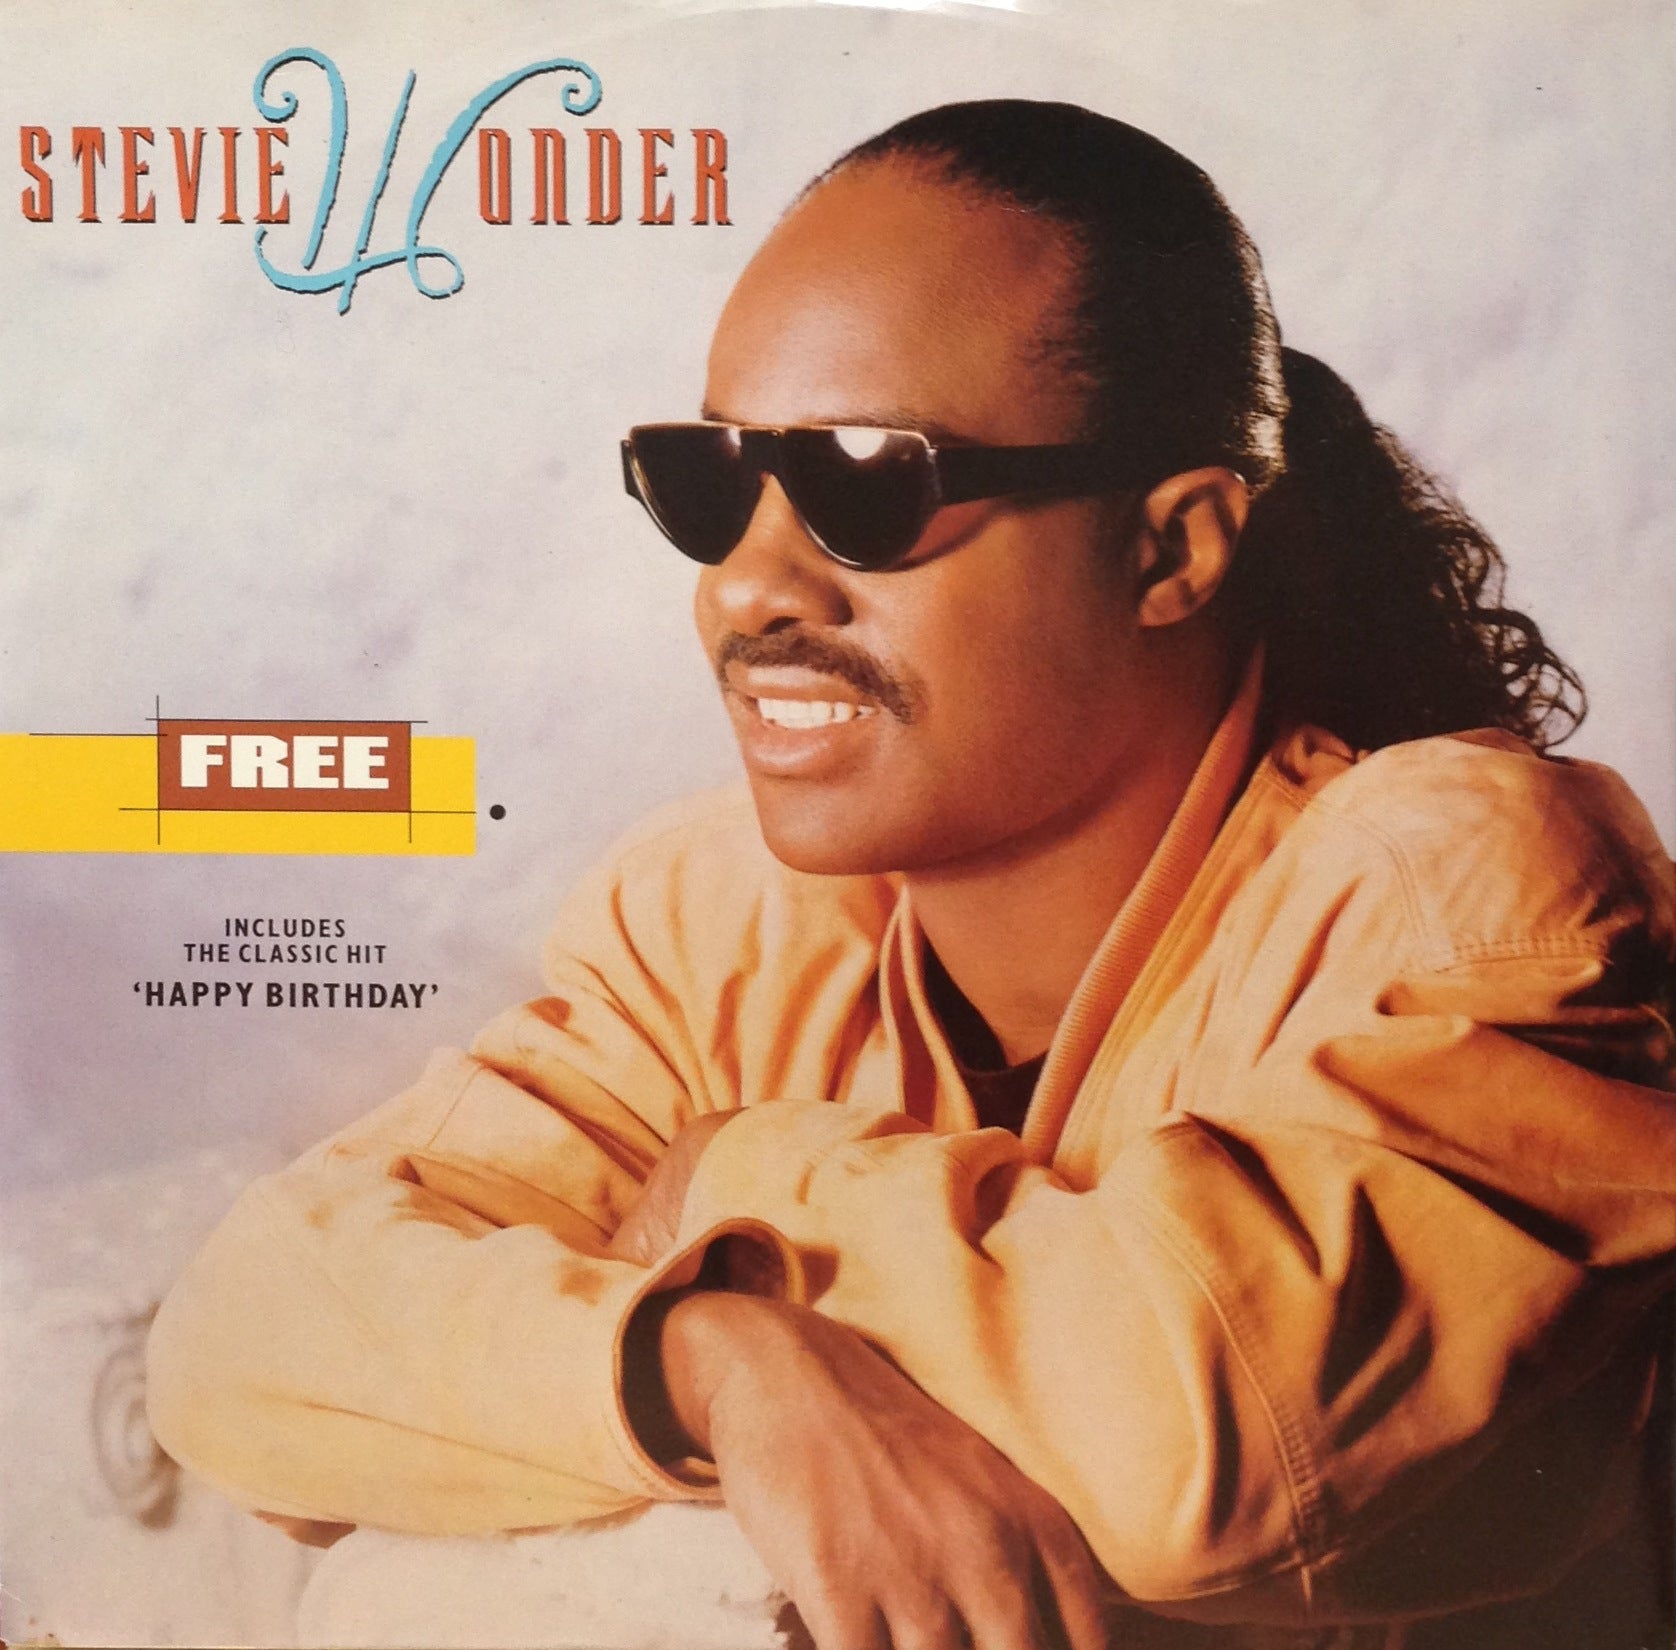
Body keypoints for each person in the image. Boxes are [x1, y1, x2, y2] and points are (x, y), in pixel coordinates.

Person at [147, 100, 1675, 1650]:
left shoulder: (1476, 895)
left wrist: (726, 1176)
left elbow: (1189, 1449)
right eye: (706, 482)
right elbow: (243, 1337)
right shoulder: (715, 922)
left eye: (868, 485)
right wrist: (716, 1363)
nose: (745, 588)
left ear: (1171, 549)